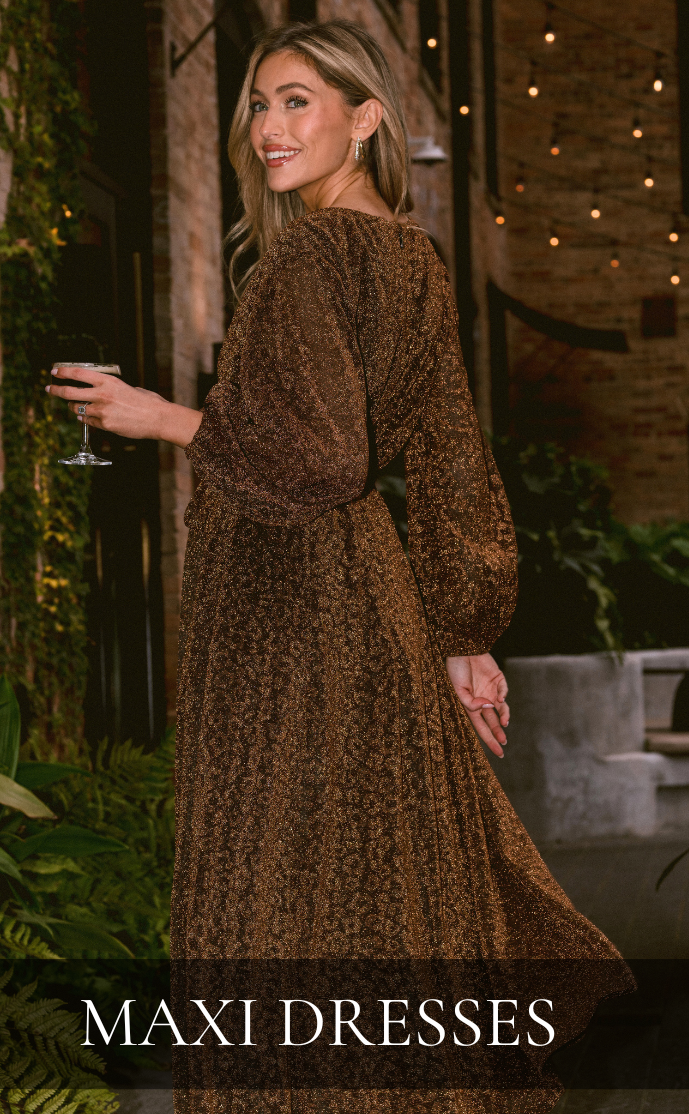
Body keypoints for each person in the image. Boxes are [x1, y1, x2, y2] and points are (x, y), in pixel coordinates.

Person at [47, 19, 635, 1112]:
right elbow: (455, 450)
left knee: (278, 902)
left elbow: (320, 457)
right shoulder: (410, 256)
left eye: (296, 102)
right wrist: (462, 631)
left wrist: (161, 414)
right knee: (373, 887)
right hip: (362, 601)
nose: (268, 128)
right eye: (258, 106)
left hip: (288, 609)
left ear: (367, 118)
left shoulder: (311, 255)